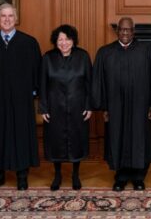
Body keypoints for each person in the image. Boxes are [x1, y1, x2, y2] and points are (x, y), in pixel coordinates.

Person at [0, 3, 41, 191]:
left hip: (20, 100)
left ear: (16, 19)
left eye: (10, 16)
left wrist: (32, 93)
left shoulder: (29, 42)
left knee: (21, 135)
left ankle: (22, 176)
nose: (7, 19)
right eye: (3, 16)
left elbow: (37, 71)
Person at [92, 17, 151, 191]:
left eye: (128, 30)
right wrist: (104, 107)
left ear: (133, 31)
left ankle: (138, 178)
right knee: (117, 138)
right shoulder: (105, 52)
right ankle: (120, 177)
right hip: (115, 106)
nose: (125, 33)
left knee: (139, 140)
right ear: (117, 31)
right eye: (122, 29)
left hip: (140, 106)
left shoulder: (146, 51)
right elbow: (99, 81)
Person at [39, 24, 92, 191]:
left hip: (78, 107)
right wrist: (43, 108)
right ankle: (57, 175)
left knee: (77, 140)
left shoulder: (83, 56)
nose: (64, 43)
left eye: (67, 39)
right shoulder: (48, 58)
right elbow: (42, 85)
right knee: (55, 141)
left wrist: (89, 106)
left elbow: (90, 84)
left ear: (73, 40)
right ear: (55, 42)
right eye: (60, 39)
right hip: (55, 107)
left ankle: (75, 175)